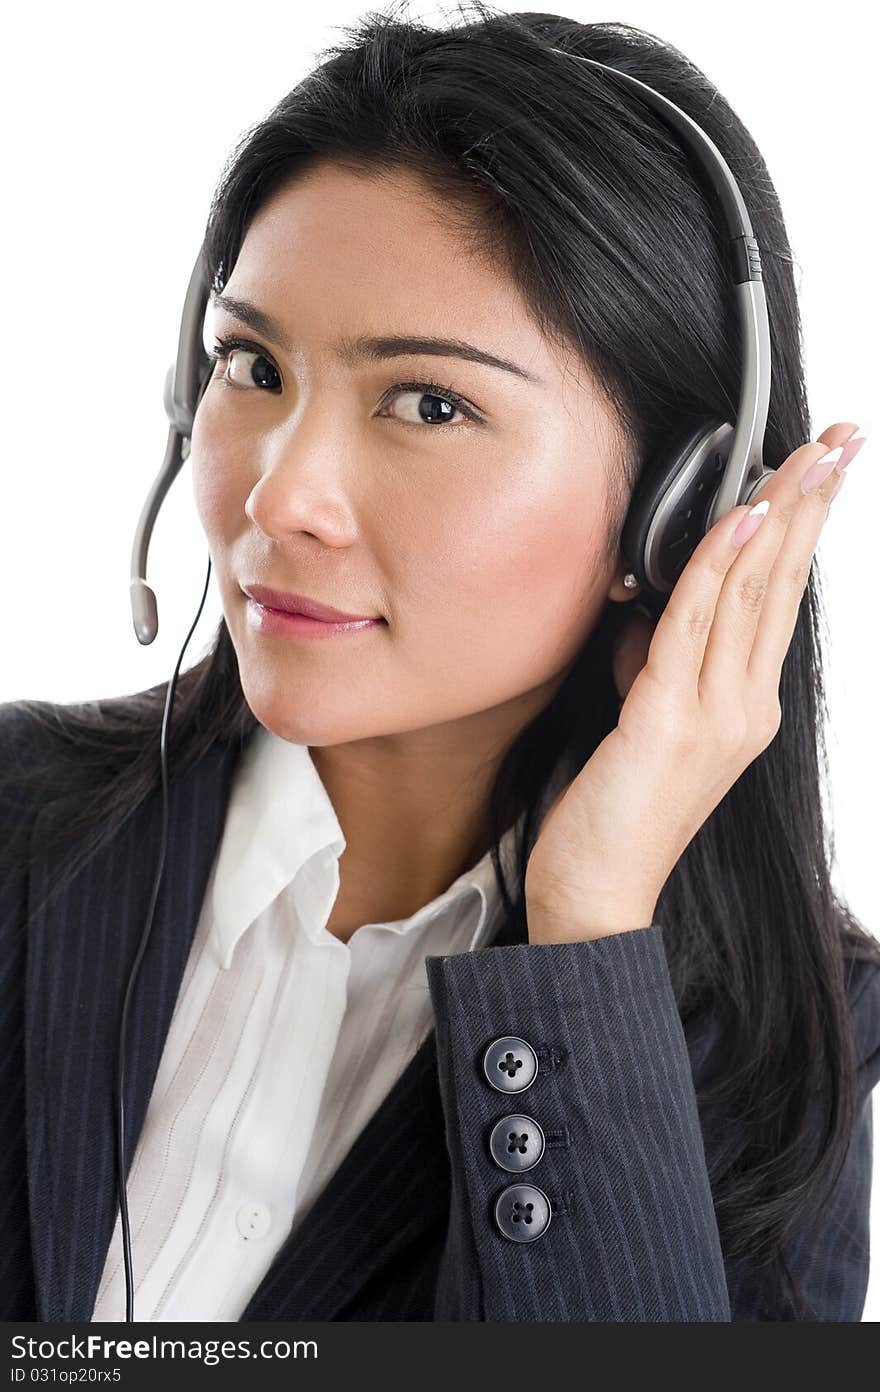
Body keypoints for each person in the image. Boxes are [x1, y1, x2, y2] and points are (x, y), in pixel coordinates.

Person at [2, 2, 878, 1323]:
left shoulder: (788, 1055)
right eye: (252, 364)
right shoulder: (17, 823)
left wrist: (588, 932)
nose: (279, 496)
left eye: (430, 402)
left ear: (678, 509)